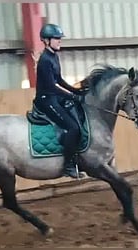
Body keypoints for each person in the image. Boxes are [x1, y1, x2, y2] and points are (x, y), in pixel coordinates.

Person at [33, 23, 88, 179]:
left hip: (54, 97)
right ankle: (68, 166)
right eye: (56, 38)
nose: (59, 41)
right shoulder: (45, 60)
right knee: (73, 128)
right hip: (46, 100)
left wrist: (75, 91)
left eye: (59, 39)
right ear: (46, 40)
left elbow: (60, 80)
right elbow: (51, 85)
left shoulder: (54, 57)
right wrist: (72, 96)